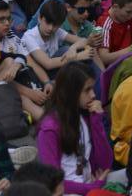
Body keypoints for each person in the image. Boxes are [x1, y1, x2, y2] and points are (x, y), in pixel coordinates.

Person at [37, 61, 113, 193]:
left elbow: (105, 164)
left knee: (127, 176)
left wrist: (97, 122)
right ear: (71, 92)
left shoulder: (83, 115)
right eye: (87, 90)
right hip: (69, 192)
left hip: (92, 182)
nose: (93, 95)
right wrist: (92, 188)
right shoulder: (50, 129)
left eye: (93, 89)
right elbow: (53, 182)